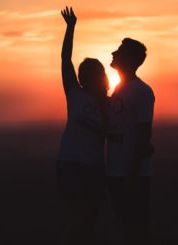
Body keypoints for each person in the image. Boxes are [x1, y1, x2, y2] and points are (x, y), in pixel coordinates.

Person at [56, 6, 109, 245]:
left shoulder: (109, 105)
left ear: (100, 76)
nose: (82, 76)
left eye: (89, 72)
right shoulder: (74, 94)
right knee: (80, 217)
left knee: (91, 221)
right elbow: (65, 59)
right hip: (71, 165)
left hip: (95, 168)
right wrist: (70, 28)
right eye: (81, 73)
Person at [106, 38, 155, 245]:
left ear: (129, 59)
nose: (113, 53)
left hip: (132, 175)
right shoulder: (119, 89)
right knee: (124, 227)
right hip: (116, 172)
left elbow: (144, 135)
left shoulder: (142, 91)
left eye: (119, 51)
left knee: (134, 229)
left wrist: (131, 175)